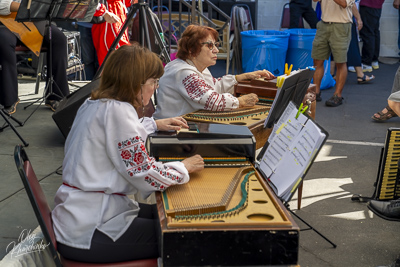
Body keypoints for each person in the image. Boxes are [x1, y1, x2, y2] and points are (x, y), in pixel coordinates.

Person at [51, 44, 204, 263]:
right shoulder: (118, 112)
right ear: (135, 84)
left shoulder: (94, 102)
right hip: (90, 229)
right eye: (153, 82)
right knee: (184, 236)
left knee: (170, 216)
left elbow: (116, 136)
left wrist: (154, 124)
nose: (155, 89)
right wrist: (183, 168)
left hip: (78, 214)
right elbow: (144, 173)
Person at [153, 24, 275, 120]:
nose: (216, 50)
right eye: (210, 46)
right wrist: (240, 102)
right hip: (171, 134)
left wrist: (241, 77)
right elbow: (212, 100)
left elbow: (214, 86)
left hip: (183, 127)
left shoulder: (196, 67)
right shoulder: (183, 72)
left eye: (215, 45)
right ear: (191, 50)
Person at [0, 0, 69, 114]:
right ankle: (9, 97)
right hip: (6, 23)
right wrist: (26, 8)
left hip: (34, 22)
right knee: (3, 41)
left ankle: (55, 95)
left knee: (59, 39)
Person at [311, 0, 354, 107]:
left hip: (342, 25)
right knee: (317, 60)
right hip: (323, 24)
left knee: (340, 62)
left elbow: (344, 3)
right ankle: (316, 92)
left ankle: (337, 95)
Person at [91, 0, 136, 66]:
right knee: (112, 60)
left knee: (123, 56)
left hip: (118, 14)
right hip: (108, 19)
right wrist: (104, 12)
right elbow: (88, 2)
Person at [347, 4, 375, 84]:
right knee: (352, 46)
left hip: (329, 20)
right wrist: (358, 19)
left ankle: (331, 74)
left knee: (332, 49)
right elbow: (351, 3)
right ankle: (360, 74)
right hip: (344, 20)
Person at [358, 0, 385, 72]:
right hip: (377, 5)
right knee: (374, 32)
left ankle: (366, 63)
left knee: (368, 33)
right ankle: (374, 60)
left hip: (368, 4)